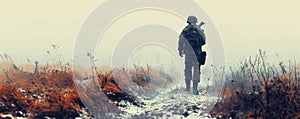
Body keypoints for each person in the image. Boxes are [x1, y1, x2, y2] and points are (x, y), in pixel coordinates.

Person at [178, 16, 206, 95]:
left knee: (188, 69)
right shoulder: (199, 30)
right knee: (196, 70)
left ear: (188, 21)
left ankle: (187, 88)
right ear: (196, 21)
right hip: (197, 54)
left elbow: (181, 40)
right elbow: (204, 42)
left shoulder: (185, 30)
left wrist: (180, 50)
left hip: (188, 53)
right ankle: (194, 89)